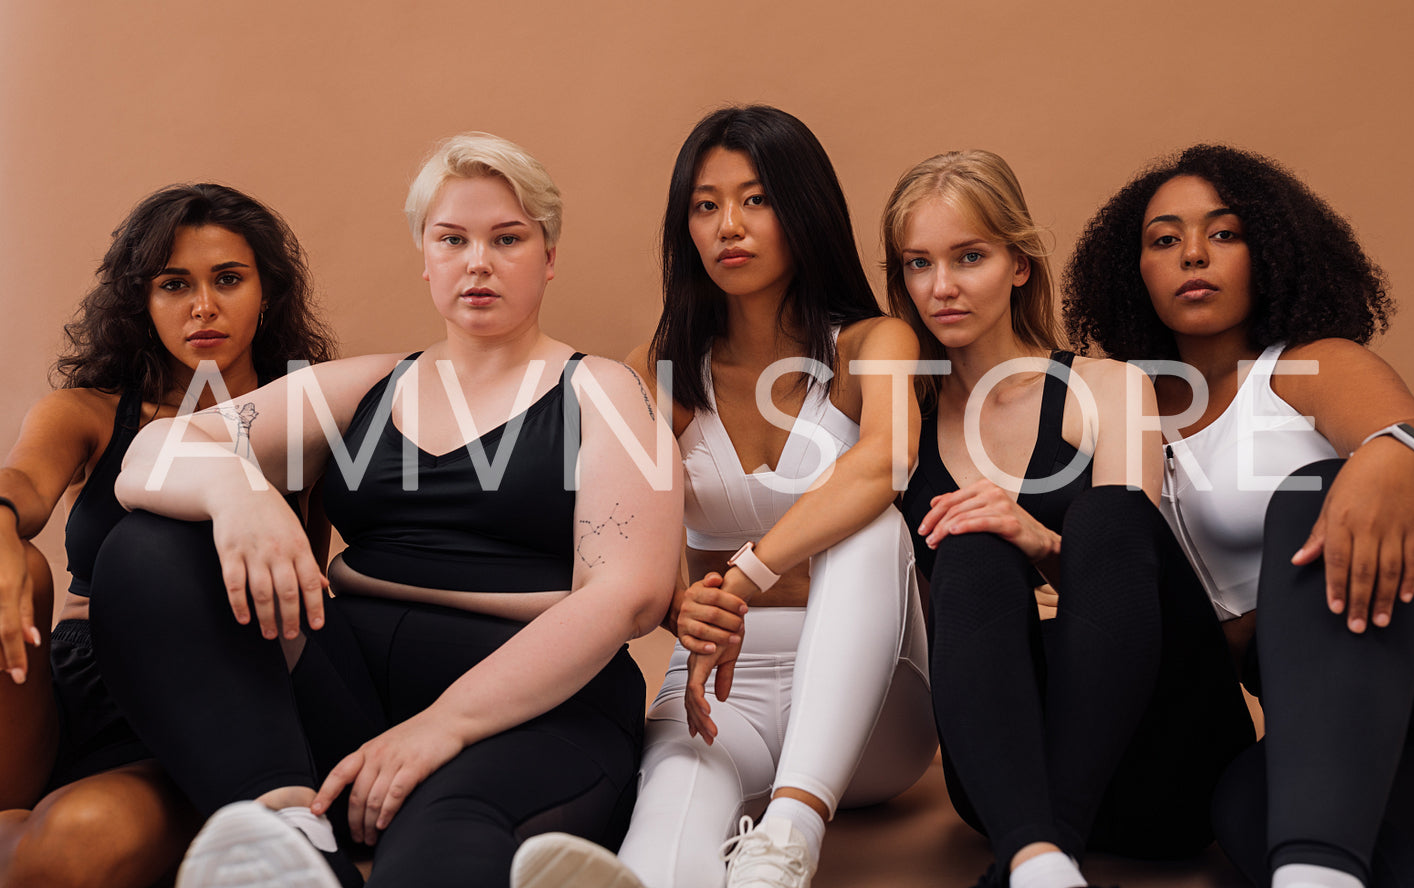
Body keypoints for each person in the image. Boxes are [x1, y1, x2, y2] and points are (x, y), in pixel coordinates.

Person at [85, 133, 683, 888]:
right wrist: (238, 494)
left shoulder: (604, 392)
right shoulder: (364, 385)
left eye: (507, 239)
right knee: (150, 548)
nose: (478, 261)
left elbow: (628, 594)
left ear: (548, 256)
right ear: (424, 257)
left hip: (534, 702)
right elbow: (151, 454)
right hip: (348, 687)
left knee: (437, 843)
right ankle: (291, 833)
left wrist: (442, 726)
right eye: (452, 239)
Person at [513, 105, 936, 888]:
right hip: (718, 683)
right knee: (672, 803)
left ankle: (793, 831)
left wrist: (740, 575)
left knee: (868, 524)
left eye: (755, 199)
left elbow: (884, 463)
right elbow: (615, 526)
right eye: (705, 206)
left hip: (875, 704)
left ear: (802, 209)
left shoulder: (875, 342)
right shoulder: (660, 367)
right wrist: (677, 602)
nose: (726, 227)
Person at [1062, 143, 1414, 888]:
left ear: (1267, 251)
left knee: (1313, 493)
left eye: (1224, 234)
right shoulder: (1116, 416)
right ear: (1132, 271)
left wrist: (1388, 457)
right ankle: (1322, 868)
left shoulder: (1306, 364)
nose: (1192, 255)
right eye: (1163, 240)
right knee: (1243, 801)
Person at [881, 150, 1254, 888]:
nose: (942, 286)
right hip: (1000, 779)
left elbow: (1129, 569)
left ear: (1019, 264)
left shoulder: (1106, 388)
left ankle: (1047, 852)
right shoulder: (899, 418)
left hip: (1165, 759)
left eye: (969, 257)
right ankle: (1040, 860)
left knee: (1109, 514)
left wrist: (1036, 536)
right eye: (918, 264)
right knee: (969, 544)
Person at [0, 183, 337, 888]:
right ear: (141, 301)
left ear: (267, 294)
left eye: (228, 280)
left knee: (72, 845)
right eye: (174, 284)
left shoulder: (309, 425)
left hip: (209, 705)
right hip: (66, 689)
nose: (203, 307)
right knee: (14, 564)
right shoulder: (86, 413)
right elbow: (24, 486)